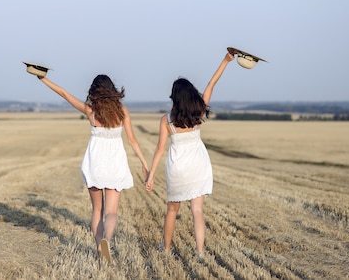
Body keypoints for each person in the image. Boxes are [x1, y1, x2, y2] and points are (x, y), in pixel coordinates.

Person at [33, 73, 149, 263]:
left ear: (94, 91)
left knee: (97, 211)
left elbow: (63, 93)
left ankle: (98, 250)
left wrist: (42, 79)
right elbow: (133, 140)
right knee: (111, 212)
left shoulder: (90, 110)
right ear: (112, 91)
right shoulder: (122, 111)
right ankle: (107, 240)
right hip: (115, 164)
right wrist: (145, 165)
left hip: (95, 163)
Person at [145, 52, 234, 256]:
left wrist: (150, 176)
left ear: (174, 96)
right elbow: (212, 83)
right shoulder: (198, 111)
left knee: (172, 210)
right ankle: (200, 252)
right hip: (198, 166)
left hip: (177, 168)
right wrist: (226, 61)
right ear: (191, 93)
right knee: (197, 211)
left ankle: (166, 249)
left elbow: (159, 150)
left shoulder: (166, 120)